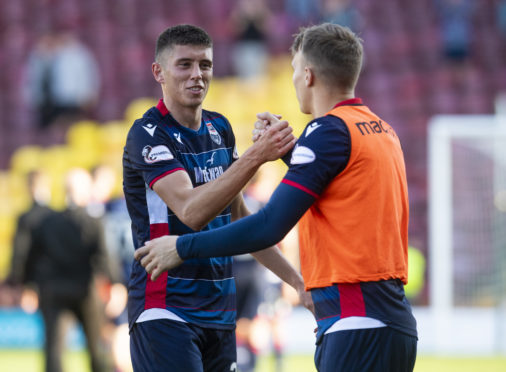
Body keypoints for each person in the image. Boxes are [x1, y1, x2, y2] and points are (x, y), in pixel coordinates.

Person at [135, 23, 418, 372]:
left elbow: (267, 225)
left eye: (295, 71)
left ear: (309, 75)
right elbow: (336, 183)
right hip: (391, 320)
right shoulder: (379, 128)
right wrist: (286, 152)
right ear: (159, 72)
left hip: (354, 321)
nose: (294, 79)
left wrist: (180, 247)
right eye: (185, 65)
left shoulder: (326, 130)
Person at [122, 24, 312, 372]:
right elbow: (192, 211)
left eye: (205, 65)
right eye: (185, 65)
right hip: (166, 309)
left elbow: (241, 221)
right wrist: (257, 156)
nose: (197, 75)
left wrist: (298, 283)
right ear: (158, 72)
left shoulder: (220, 128)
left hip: (220, 312)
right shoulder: (147, 134)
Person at [9, 168, 114, 372]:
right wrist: (116, 284)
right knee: (96, 349)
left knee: (54, 350)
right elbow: (104, 256)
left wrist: (27, 285)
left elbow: (30, 257)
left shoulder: (47, 222)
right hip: (86, 292)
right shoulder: (93, 221)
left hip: (53, 291)